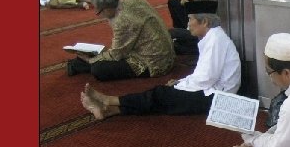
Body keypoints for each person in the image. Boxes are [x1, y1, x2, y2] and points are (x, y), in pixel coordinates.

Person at [79, 13, 240, 119]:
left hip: (217, 99)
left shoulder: (216, 41)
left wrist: (181, 84)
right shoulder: (212, 37)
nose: (188, 24)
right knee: (161, 98)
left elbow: (206, 78)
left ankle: (109, 100)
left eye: (191, 19)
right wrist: (181, 81)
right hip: (212, 92)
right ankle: (110, 110)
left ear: (204, 22)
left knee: (161, 95)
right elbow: (204, 74)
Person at [66, 0, 175, 81]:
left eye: (100, 12)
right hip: (167, 55)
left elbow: (116, 55)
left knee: (98, 69)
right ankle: (80, 63)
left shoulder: (121, 21)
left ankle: (80, 64)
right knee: (101, 57)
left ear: (107, 8)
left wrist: (91, 60)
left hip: (154, 64)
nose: (101, 16)